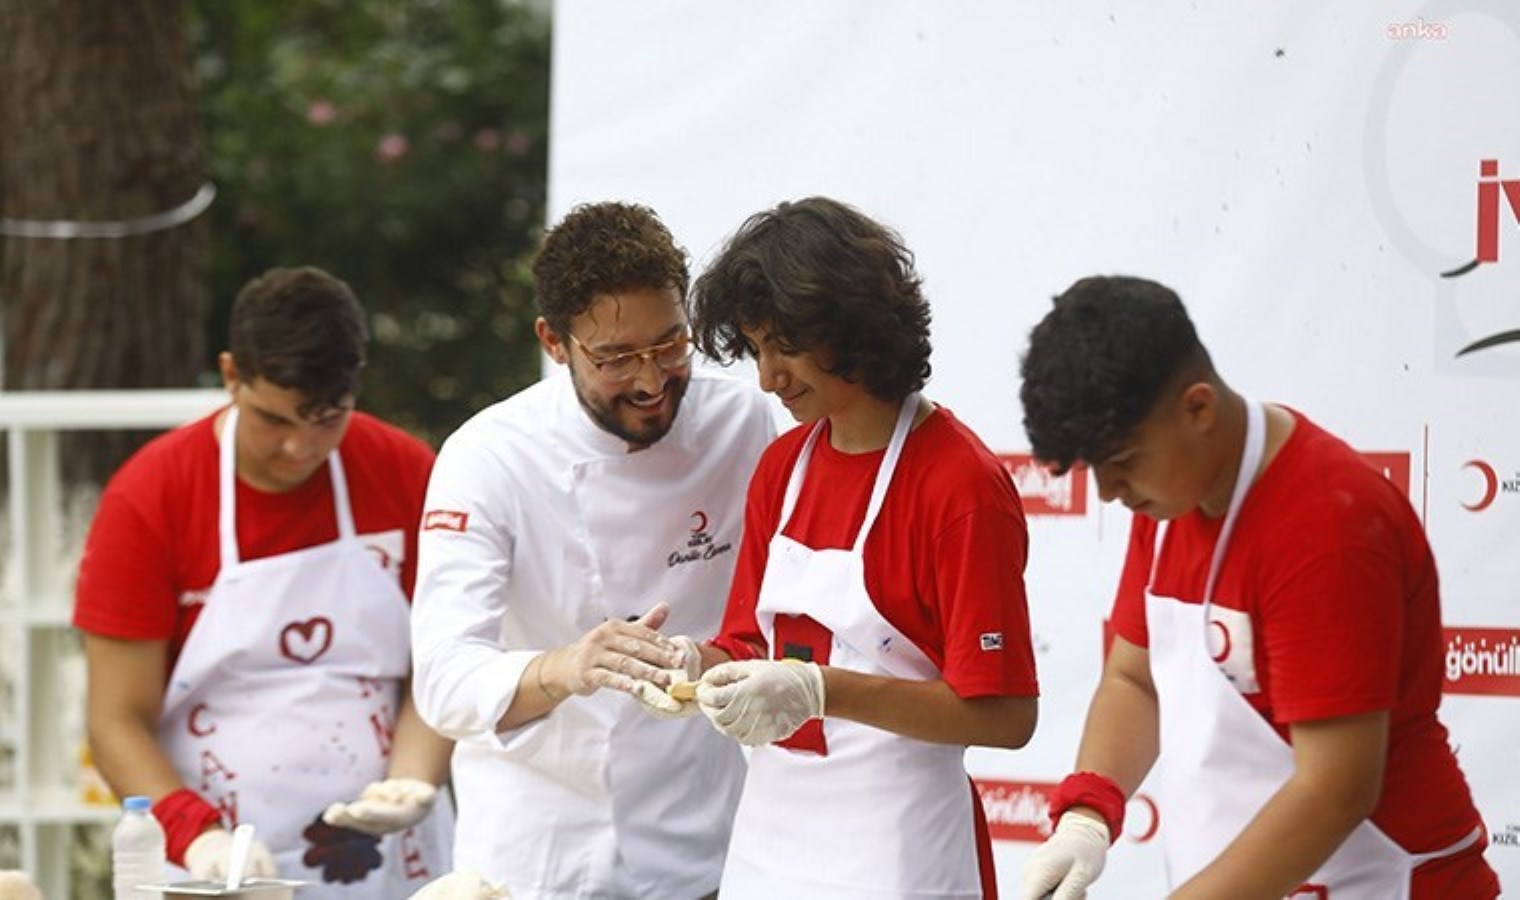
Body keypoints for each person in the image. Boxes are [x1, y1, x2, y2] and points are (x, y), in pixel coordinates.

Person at [1016, 276, 1500, 899]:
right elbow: (1134, 680)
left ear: (1198, 409)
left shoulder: (1325, 525)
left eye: (1123, 462)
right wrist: (1089, 810)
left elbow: (1336, 787)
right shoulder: (1168, 501)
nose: (1109, 493)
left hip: (1384, 882)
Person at [408, 201, 776, 899]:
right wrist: (568, 667)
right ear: (554, 341)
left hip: (700, 847)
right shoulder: (489, 457)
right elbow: (445, 682)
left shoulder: (744, 422)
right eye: (614, 357)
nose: (649, 379)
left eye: (670, 345)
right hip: (537, 858)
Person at [677, 196, 1039, 898]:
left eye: (784, 347)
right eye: (756, 349)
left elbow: (1005, 714)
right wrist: (689, 666)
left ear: (849, 326)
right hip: (768, 845)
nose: (767, 377)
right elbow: (750, 646)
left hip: (898, 856)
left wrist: (821, 690)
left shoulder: (959, 484)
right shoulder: (783, 466)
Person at [75, 267, 455, 898]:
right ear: (231, 375)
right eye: (274, 420)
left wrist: (413, 780)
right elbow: (116, 719)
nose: (300, 448)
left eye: (327, 418)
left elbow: (441, 662)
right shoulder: (151, 497)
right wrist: (196, 834)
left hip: (384, 850)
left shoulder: (406, 473)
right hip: (209, 853)